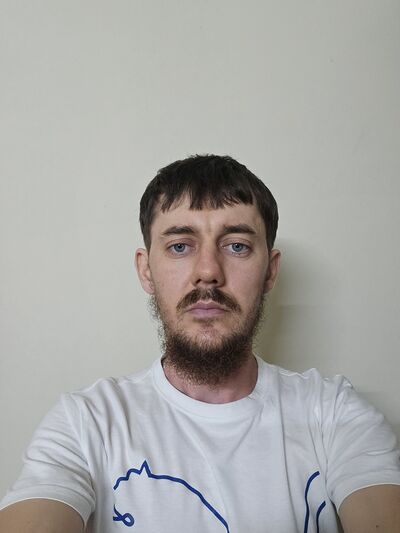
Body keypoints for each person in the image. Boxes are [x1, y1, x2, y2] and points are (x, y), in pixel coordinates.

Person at [0, 154, 399, 533]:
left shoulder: (334, 414)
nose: (208, 272)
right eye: (180, 246)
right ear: (146, 270)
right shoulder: (87, 422)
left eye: (237, 245)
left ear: (270, 271)